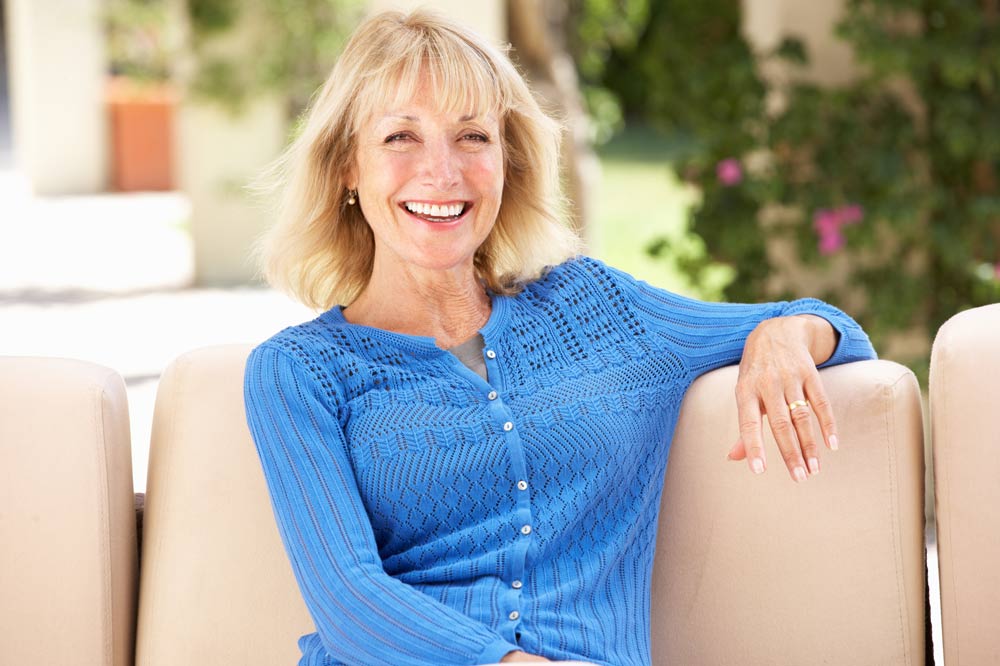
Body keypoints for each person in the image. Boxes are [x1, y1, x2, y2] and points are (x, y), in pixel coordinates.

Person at [243, 9, 877, 666]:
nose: (443, 172)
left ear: (508, 160)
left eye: (472, 137)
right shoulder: (300, 371)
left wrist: (782, 334)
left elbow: (840, 332)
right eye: (401, 137)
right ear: (348, 165)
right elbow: (348, 600)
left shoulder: (593, 307)